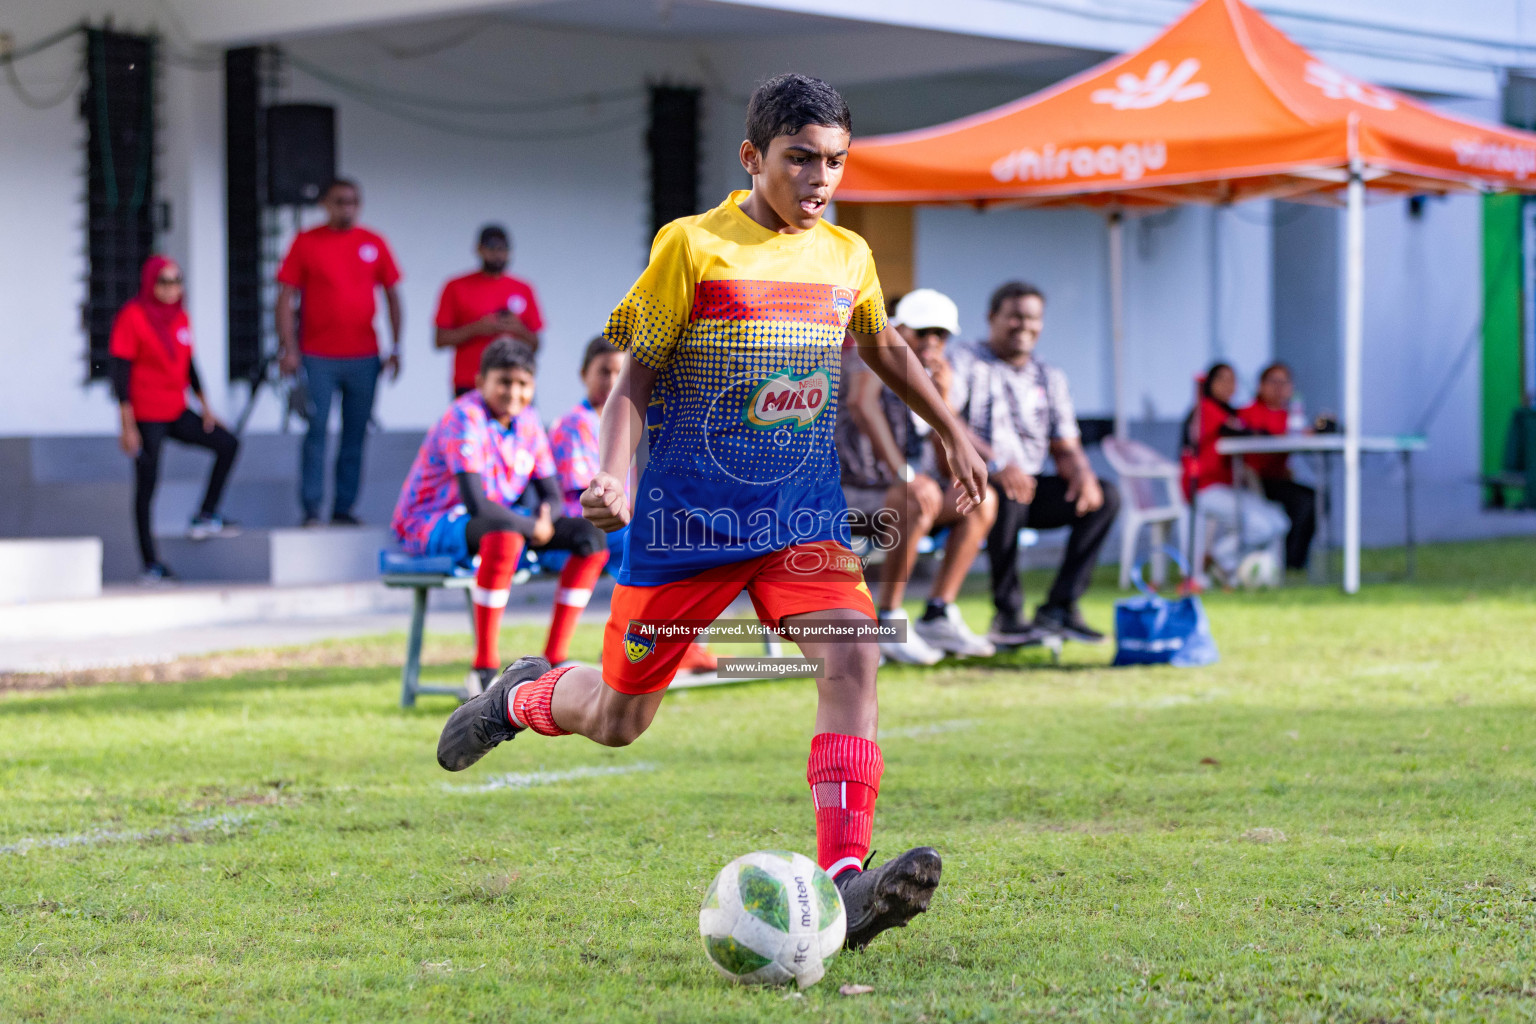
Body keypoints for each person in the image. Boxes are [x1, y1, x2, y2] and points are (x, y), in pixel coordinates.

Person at [434, 73, 989, 951]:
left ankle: (845, 878)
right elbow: (630, 381)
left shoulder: (848, 255)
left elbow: (881, 343)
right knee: (620, 719)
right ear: (752, 158)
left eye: (836, 162)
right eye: (800, 159)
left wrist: (951, 427)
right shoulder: (691, 247)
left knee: (854, 658)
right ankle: (524, 695)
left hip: (800, 524)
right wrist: (610, 475)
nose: (819, 180)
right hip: (687, 528)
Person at [390, 339, 610, 693]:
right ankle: (483, 669)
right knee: (505, 534)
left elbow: (552, 495)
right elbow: (477, 503)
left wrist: (543, 520)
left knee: (591, 538)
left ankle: (554, 660)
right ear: (481, 383)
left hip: (502, 520)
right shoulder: (464, 416)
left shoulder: (528, 421)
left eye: (523, 384)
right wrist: (533, 525)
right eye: (504, 382)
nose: (513, 392)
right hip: (432, 522)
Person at [948, 282, 1120, 646]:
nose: (1023, 326)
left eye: (1033, 318)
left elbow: (1066, 444)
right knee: (1006, 493)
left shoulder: (1050, 375)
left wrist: (1083, 473)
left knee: (1105, 496)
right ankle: (1007, 614)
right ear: (992, 318)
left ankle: (1061, 606)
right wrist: (993, 464)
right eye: (1014, 316)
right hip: (979, 484)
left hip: (1033, 483)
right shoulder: (966, 360)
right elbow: (948, 419)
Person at [836, 288, 997, 664]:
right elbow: (862, 404)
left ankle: (938, 614)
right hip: (846, 492)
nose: (931, 342)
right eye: (921, 332)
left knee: (980, 499)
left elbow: (945, 467)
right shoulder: (871, 351)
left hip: (895, 494)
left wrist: (941, 401)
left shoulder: (930, 376)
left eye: (940, 335)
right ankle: (888, 621)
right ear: (898, 328)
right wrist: (904, 474)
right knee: (912, 495)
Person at [550, 337, 716, 673]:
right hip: (584, 524)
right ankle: (627, 647)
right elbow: (591, 493)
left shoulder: (632, 421)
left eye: (619, 372)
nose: (612, 380)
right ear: (583, 374)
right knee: (662, 547)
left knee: (694, 542)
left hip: (622, 523)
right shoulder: (574, 424)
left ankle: (684, 646)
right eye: (603, 372)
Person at [276, 178, 402, 527]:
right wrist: (289, 348)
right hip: (317, 355)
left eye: (353, 202)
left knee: (355, 434)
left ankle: (344, 508)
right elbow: (286, 297)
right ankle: (312, 508)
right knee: (315, 430)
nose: (347, 208)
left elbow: (392, 294)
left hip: (364, 355)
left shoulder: (373, 242)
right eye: (340, 201)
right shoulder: (306, 242)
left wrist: (397, 346)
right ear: (326, 204)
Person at [109, 256, 240, 585]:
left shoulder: (180, 317)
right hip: (145, 415)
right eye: (163, 282)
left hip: (176, 409)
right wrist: (127, 425)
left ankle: (206, 514)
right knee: (147, 485)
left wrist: (206, 407)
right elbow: (120, 375)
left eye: (176, 281)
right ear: (150, 283)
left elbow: (189, 366)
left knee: (227, 443)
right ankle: (150, 564)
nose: (170, 288)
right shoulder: (133, 316)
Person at [1183, 362, 1289, 586]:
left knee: (1278, 521)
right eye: (1222, 379)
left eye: (1232, 380)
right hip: (1206, 488)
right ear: (1210, 383)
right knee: (1260, 526)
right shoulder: (1206, 409)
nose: (1228, 385)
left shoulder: (1230, 411)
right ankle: (1220, 559)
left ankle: (1255, 574)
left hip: (1231, 488)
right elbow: (1234, 431)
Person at [433, 224, 544, 398]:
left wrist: (517, 328)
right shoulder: (456, 286)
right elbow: (440, 340)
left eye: (503, 249)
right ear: (479, 249)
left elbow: (536, 344)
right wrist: (477, 328)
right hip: (470, 381)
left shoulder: (523, 288)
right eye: (492, 248)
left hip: (514, 384)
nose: (498, 254)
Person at [1239, 362, 1316, 571]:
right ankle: (1291, 563)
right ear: (1260, 386)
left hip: (1279, 479)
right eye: (1273, 381)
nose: (1279, 387)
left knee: (1313, 498)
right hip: (1254, 480)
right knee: (1304, 501)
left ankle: (1296, 561)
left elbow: (1297, 438)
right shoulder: (1248, 413)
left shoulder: (1291, 417)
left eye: (1284, 382)